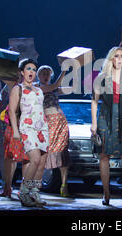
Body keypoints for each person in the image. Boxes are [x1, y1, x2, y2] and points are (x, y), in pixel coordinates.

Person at [90, 47, 122, 207]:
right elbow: (94, 101)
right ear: (111, 59)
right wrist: (93, 123)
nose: (119, 59)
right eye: (116, 56)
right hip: (106, 117)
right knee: (104, 156)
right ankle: (106, 194)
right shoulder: (101, 78)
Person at [9, 59, 53, 207]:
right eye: (28, 69)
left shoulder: (39, 90)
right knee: (34, 160)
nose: (31, 72)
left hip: (42, 128)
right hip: (27, 129)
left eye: (34, 69)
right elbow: (12, 111)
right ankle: (23, 191)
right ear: (22, 72)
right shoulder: (18, 89)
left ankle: (34, 192)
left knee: (41, 164)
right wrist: (15, 130)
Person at [36, 65, 71, 197]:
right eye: (43, 73)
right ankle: (37, 183)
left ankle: (64, 185)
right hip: (47, 123)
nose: (45, 76)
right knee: (44, 153)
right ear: (38, 76)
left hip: (61, 122)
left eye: (48, 73)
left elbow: (68, 88)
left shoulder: (55, 89)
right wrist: (64, 70)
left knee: (62, 153)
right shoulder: (38, 88)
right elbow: (56, 85)